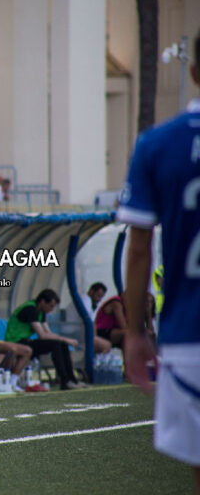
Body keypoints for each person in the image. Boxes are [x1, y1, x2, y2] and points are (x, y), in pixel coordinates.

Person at [118, 30, 200, 491]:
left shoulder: (157, 144)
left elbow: (139, 245)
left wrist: (134, 332)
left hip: (187, 340)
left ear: (193, 71)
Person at [4, 289, 85, 390]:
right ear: (42, 301)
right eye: (51, 306)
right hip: (16, 342)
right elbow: (42, 335)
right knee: (56, 344)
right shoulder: (31, 309)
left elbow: (48, 333)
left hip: (25, 342)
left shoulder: (41, 312)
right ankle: (64, 381)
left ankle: (72, 380)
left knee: (60, 344)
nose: (52, 309)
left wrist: (63, 340)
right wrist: (66, 339)